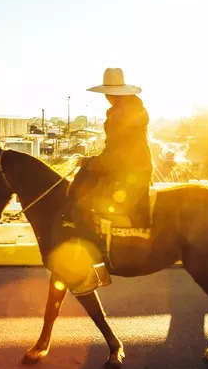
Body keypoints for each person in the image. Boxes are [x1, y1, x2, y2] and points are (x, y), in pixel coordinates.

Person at [61, 68, 153, 285]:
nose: (106, 97)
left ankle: (97, 269)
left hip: (128, 175)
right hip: (132, 170)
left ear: (112, 94)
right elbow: (115, 151)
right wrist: (93, 160)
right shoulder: (130, 112)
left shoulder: (121, 116)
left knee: (83, 208)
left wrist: (91, 162)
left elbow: (118, 157)